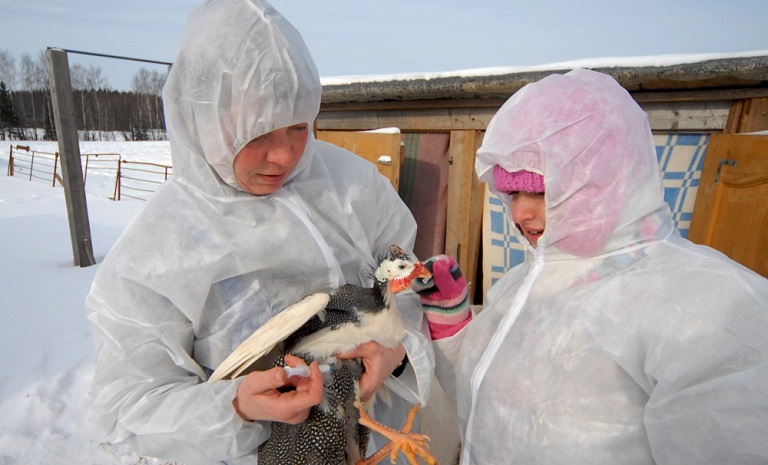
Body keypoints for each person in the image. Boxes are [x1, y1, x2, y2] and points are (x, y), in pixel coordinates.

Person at [85, 1, 434, 464]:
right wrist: (236, 407)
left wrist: (396, 352)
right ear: (204, 120)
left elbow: (409, 289)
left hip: (381, 440)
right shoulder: (157, 250)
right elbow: (132, 405)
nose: (285, 156)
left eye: (296, 126)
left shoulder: (352, 185)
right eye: (258, 134)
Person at [414, 68, 768, 464]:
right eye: (511, 191)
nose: (519, 212)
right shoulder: (522, 285)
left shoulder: (707, 305)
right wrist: (454, 328)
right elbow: (486, 399)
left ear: (612, 181)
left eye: (543, 190)